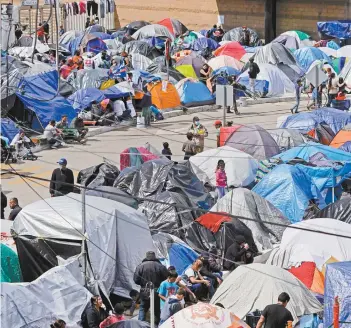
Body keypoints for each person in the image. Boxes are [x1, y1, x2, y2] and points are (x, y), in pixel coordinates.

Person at [133, 251, 169, 325]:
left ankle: (140, 325)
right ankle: (158, 325)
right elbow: (166, 277)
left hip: (144, 291)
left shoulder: (140, 266)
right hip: (157, 290)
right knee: (156, 310)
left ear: (146, 257)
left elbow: (136, 280)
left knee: (143, 309)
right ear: (154, 257)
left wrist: (143, 284)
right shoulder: (160, 266)